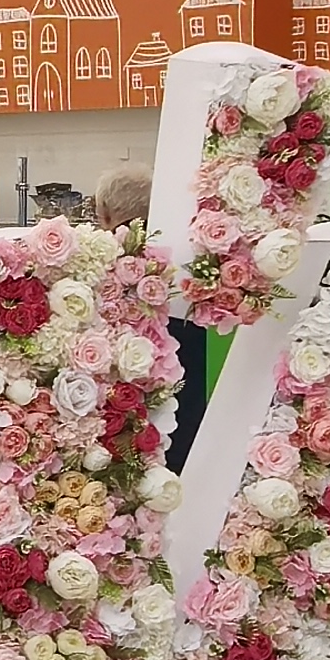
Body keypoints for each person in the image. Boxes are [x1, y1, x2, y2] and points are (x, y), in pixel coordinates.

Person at [88, 166, 219, 467]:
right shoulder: (192, 257)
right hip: (190, 397)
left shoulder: (97, 265)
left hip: (120, 415)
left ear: (104, 214)